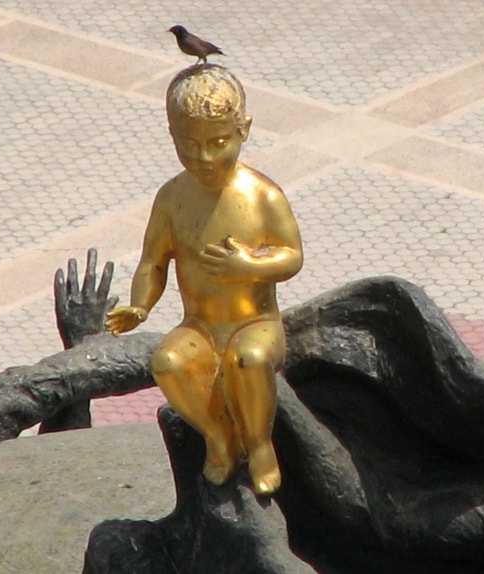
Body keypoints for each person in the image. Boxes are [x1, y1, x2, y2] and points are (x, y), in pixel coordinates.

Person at [106, 65, 303, 495]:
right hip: (199, 325)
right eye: (190, 145)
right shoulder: (172, 198)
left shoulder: (261, 195)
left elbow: (292, 256)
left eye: (218, 143)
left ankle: (260, 444)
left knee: (248, 360)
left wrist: (250, 267)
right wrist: (140, 305)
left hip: (256, 323)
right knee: (167, 363)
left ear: (243, 129)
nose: (205, 158)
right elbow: (153, 262)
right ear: (173, 136)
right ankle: (217, 438)